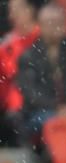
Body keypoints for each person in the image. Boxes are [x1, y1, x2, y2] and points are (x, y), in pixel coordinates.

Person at [16, 3, 66, 138]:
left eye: (57, 22)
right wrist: (57, 108)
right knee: (46, 122)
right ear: (40, 25)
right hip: (43, 111)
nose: (54, 27)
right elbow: (30, 92)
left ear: (65, 24)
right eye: (49, 23)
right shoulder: (29, 56)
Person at [0, 0, 39, 143]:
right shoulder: (6, 46)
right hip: (18, 104)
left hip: (48, 98)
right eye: (10, 11)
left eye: (16, 10)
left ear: (30, 10)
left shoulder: (46, 36)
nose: (11, 16)